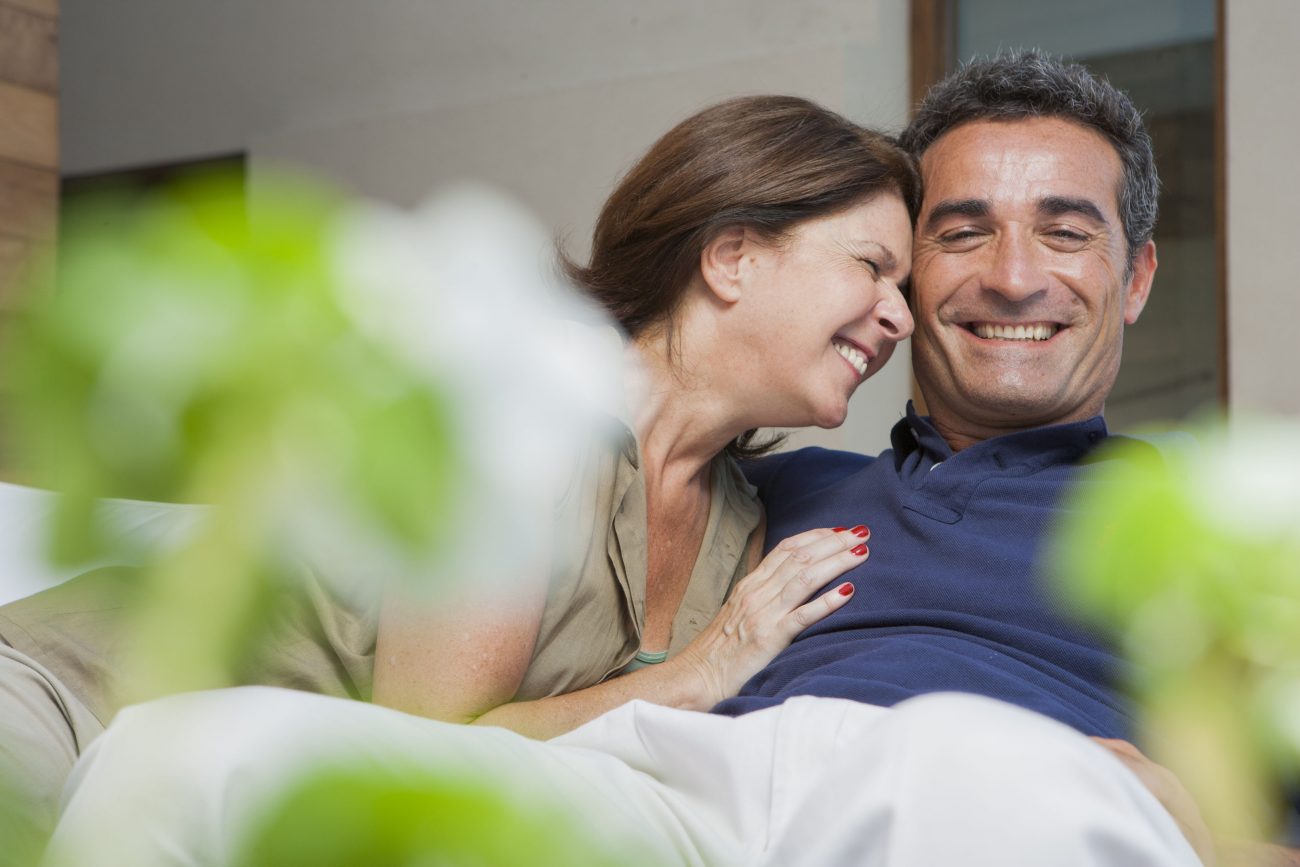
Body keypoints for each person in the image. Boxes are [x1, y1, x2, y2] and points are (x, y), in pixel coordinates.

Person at [45, 52, 1230, 867]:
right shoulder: (764, 490)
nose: (1011, 275)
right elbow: (443, 733)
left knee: (963, 753)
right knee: (188, 750)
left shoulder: (1210, 526)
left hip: (973, 787)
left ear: (1133, 278)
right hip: (672, 787)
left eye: (1064, 232)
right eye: (952, 236)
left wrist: (1204, 829)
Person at [0, 95, 918, 847]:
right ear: (732, 257)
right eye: (873, 267)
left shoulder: (740, 528)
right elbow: (422, 745)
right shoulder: (522, 411)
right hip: (70, 706)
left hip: (237, 800)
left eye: (904, 289)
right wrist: (697, 670)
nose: (900, 317)